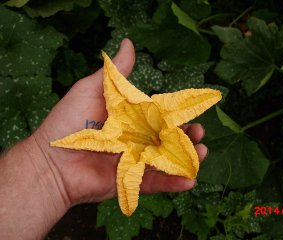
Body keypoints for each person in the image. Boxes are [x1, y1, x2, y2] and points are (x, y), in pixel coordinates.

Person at [0, 39, 208, 239]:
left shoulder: (130, 109)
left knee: (187, 163)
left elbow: (200, 101)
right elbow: (96, 128)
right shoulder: (119, 107)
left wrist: (46, 160)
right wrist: (49, 160)